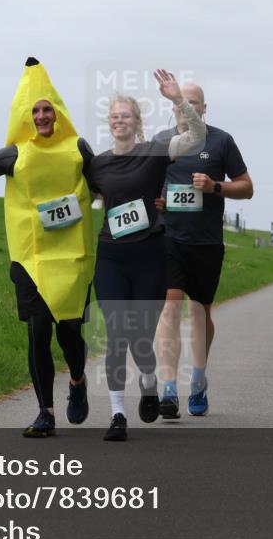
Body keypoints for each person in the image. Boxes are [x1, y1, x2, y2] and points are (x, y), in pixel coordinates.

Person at [0, 58, 94, 438]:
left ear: (58, 112)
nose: (42, 115)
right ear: (24, 117)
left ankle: (78, 380)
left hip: (71, 258)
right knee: (38, 331)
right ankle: (45, 411)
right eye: (35, 110)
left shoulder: (78, 148)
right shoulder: (13, 154)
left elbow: (104, 185)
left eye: (48, 109)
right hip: (30, 258)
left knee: (68, 334)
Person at [87, 70, 207, 440]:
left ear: (138, 122)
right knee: (116, 334)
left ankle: (150, 381)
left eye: (126, 115)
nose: (119, 120)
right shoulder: (97, 164)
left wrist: (176, 100)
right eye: (113, 116)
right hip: (111, 256)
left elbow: (197, 136)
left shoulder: (155, 151)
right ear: (109, 124)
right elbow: (82, 199)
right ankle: (118, 415)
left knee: (140, 335)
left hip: (149, 256)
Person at [152, 83, 251, 419]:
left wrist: (215, 187)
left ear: (204, 108)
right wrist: (157, 200)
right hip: (169, 238)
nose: (186, 107)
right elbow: (147, 183)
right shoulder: (163, 142)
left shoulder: (221, 141)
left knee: (199, 312)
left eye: (192, 102)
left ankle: (197, 378)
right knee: (170, 305)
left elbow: (247, 187)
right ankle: (168, 388)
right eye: (181, 103)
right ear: (173, 107)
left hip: (206, 241)